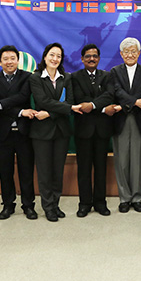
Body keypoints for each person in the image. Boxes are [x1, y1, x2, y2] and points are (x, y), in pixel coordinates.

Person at [0, 46, 38, 220]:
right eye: (5, 59)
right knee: (5, 172)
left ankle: (28, 205)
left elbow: (22, 97)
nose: (9, 62)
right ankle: (8, 205)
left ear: (18, 60)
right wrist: (20, 111)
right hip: (2, 133)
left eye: (13, 58)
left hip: (24, 132)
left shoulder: (28, 77)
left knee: (26, 171)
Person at [29, 43, 82, 222]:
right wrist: (64, 108)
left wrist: (50, 113)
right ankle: (48, 207)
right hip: (41, 132)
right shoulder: (36, 78)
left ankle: (55, 204)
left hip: (62, 131)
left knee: (57, 170)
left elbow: (70, 101)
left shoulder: (66, 78)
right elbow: (42, 101)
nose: (55, 59)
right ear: (45, 57)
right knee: (44, 171)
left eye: (58, 56)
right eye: (52, 55)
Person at [71, 44, 119, 217]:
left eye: (95, 56)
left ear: (99, 58)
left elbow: (109, 95)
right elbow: (78, 98)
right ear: (82, 59)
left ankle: (100, 202)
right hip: (83, 130)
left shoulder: (107, 76)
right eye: (88, 56)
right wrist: (103, 108)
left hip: (102, 130)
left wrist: (91, 105)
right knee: (84, 169)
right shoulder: (74, 77)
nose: (91, 59)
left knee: (101, 168)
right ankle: (84, 203)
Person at [110, 37, 141, 213]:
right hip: (121, 119)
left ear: (139, 53)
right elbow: (117, 91)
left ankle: (137, 197)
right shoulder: (114, 71)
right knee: (122, 160)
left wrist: (131, 103)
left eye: (133, 51)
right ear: (121, 54)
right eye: (126, 52)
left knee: (138, 160)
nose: (130, 55)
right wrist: (134, 103)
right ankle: (124, 198)